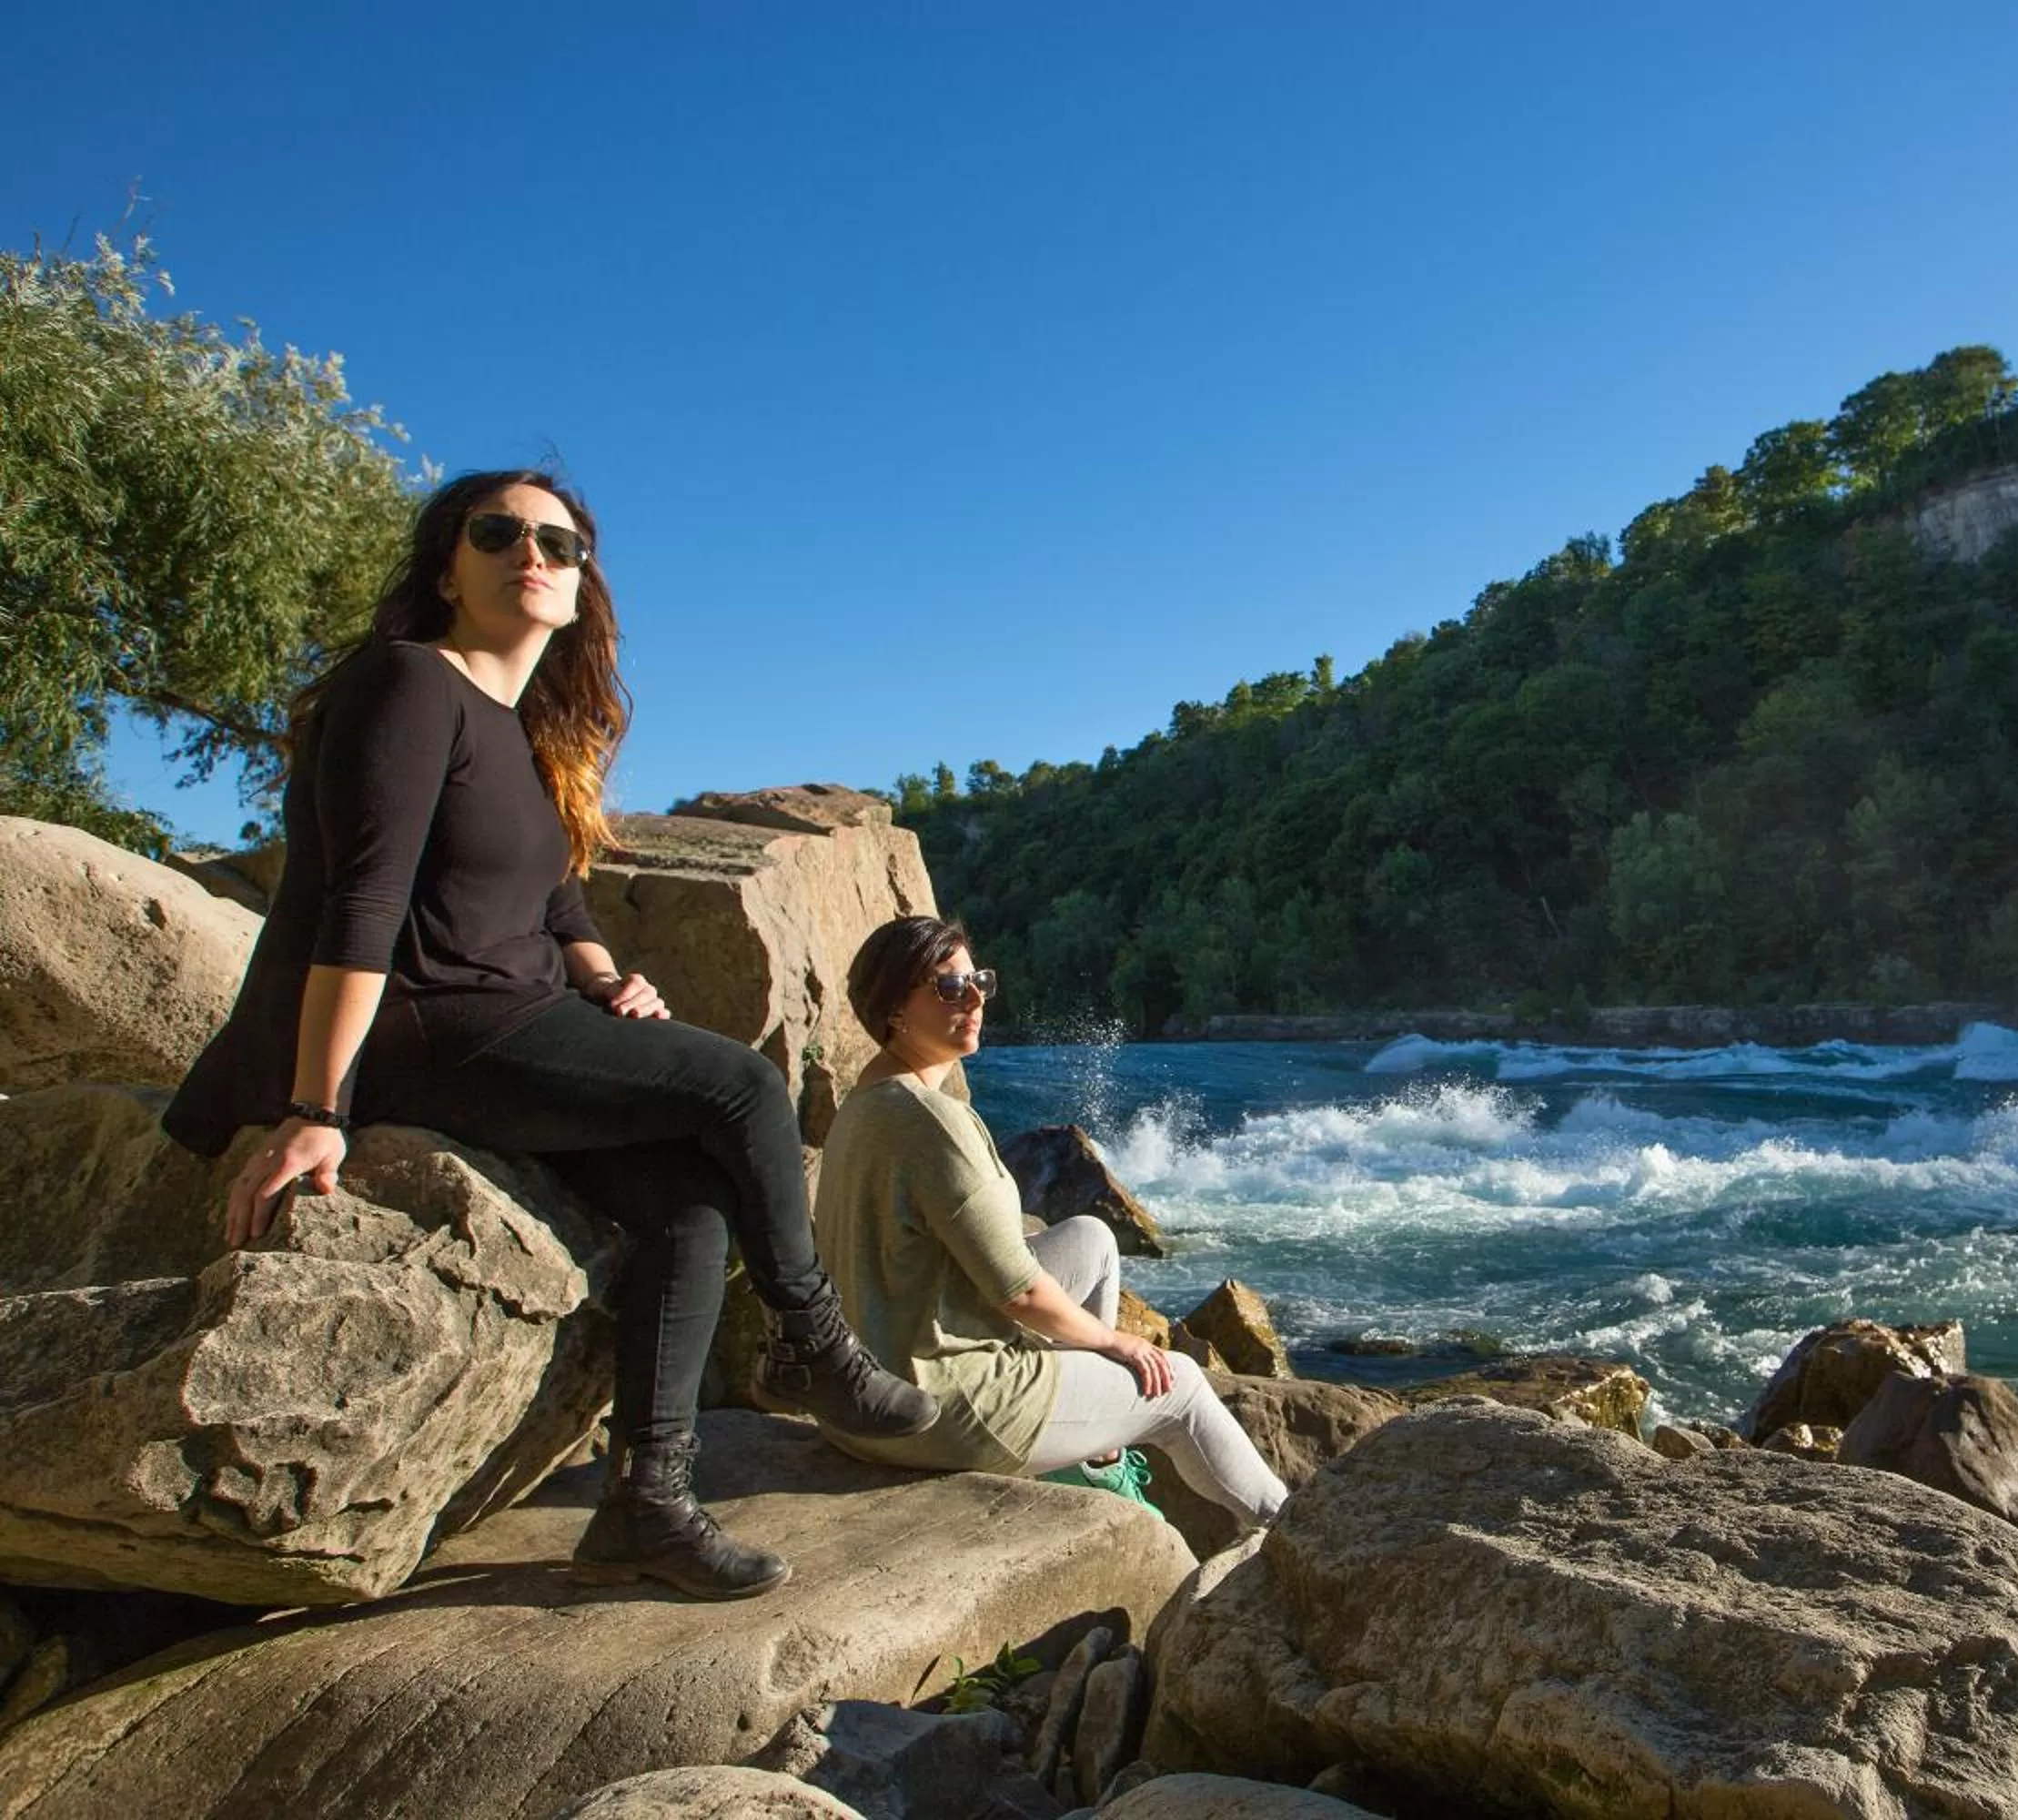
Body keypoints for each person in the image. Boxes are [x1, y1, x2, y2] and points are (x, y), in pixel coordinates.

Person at [165, 468, 939, 1602]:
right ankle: (815, 1345)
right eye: (499, 533)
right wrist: (316, 1107)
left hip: (511, 1009)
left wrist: (605, 970)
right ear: (449, 567)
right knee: (740, 1090)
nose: (532, 553)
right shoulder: (407, 684)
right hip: (432, 1025)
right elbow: (363, 900)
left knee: (689, 1200)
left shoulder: (513, 733)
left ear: (581, 589)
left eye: (559, 544)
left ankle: (647, 1503)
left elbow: (547, 894)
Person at [812, 915, 1289, 1529]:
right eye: (949, 988)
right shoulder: (933, 1123)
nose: (976, 998)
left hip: (864, 1392)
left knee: (1091, 1238)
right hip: (935, 1404)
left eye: (977, 980)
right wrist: (1117, 1345)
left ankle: (1092, 1456)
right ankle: (1288, 1531)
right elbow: (1019, 1293)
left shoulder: (867, 1101)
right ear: (894, 1010)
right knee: (1180, 1386)